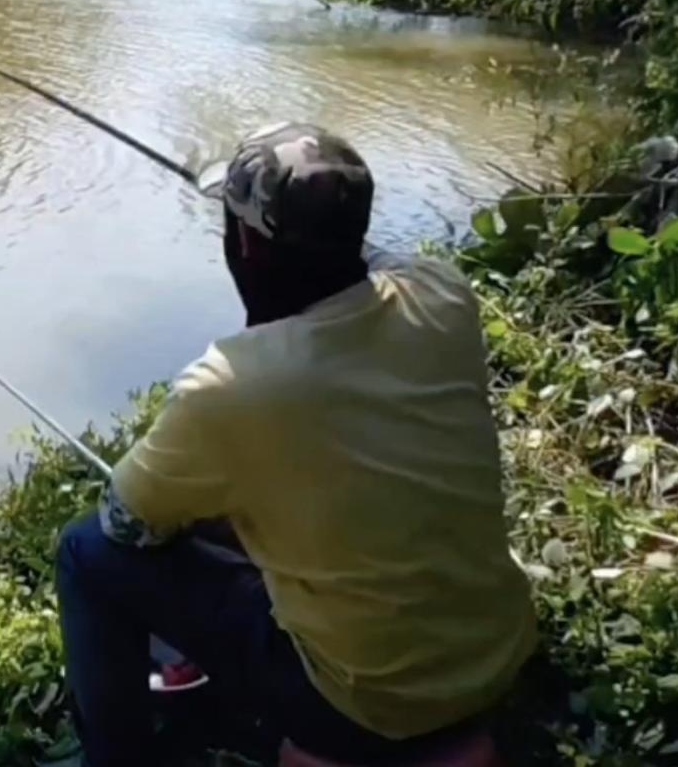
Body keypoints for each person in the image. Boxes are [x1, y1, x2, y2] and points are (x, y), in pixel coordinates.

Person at [54, 122, 537, 765]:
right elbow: (375, 262)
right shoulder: (443, 294)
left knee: (85, 553)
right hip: (498, 662)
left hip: (361, 710)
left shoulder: (231, 387)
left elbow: (125, 523)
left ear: (246, 245)